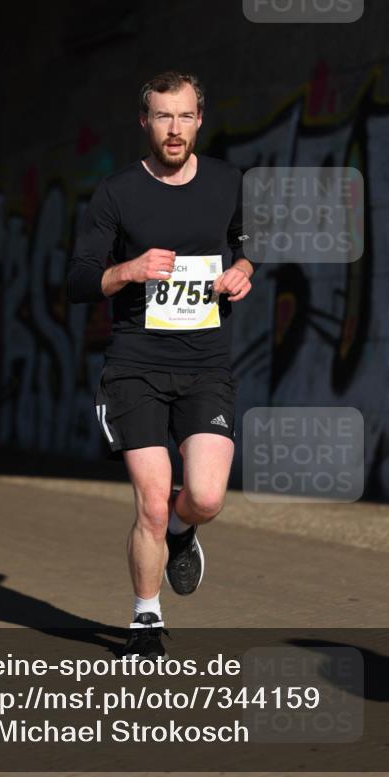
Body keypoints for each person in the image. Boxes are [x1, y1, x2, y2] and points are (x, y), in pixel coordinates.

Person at [67, 71, 254, 658]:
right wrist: (129, 270)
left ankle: (182, 530)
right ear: (144, 123)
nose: (175, 130)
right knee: (150, 500)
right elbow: (77, 281)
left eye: (186, 116)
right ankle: (145, 616)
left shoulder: (229, 182)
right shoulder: (116, 193)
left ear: (201, 119)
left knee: (204, 497)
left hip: (206, 365)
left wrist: (243, 273)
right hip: (135, 367)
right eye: (163, 117)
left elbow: (246, 247)